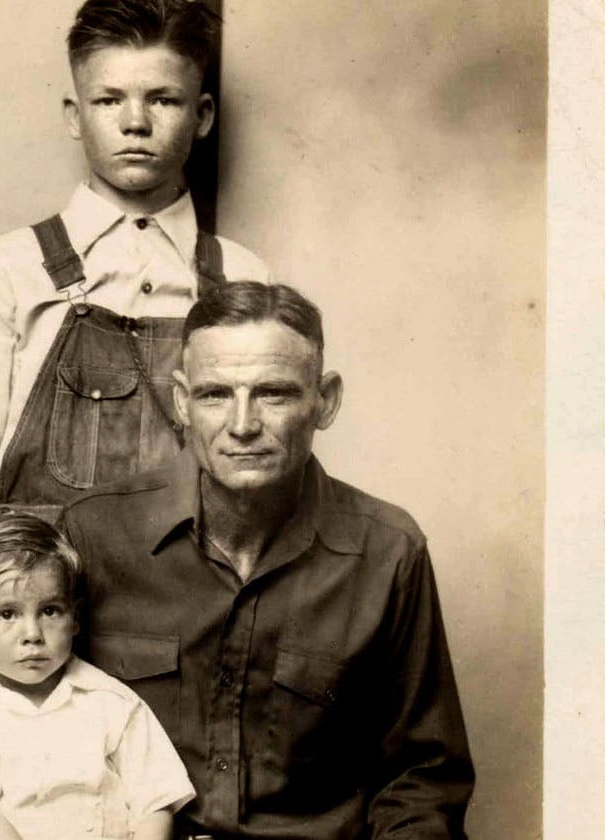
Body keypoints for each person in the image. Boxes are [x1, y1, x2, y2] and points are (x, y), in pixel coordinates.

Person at [58, 282, 474, 838]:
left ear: (324, 401)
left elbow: (423, 778)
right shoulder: (94, 533)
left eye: (273, 394)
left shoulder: (389, 551)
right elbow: (25, 725)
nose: (243, 424)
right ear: (181, 403)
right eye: (214, 395)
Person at [0, 0, 272, 565]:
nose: (135, 122)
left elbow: (262, 484)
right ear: (73, 114)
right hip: (41, 613)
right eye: (109, 99)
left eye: (163, 98)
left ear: (203, 115)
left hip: (193, 602)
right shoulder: (9, 267)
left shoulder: (244, 277)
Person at [0, 511, 192, 840]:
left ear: (75, 616)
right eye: (7, 614)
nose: (33, 634)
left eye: (50, 611)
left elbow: (156, 803)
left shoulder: (114, 703)